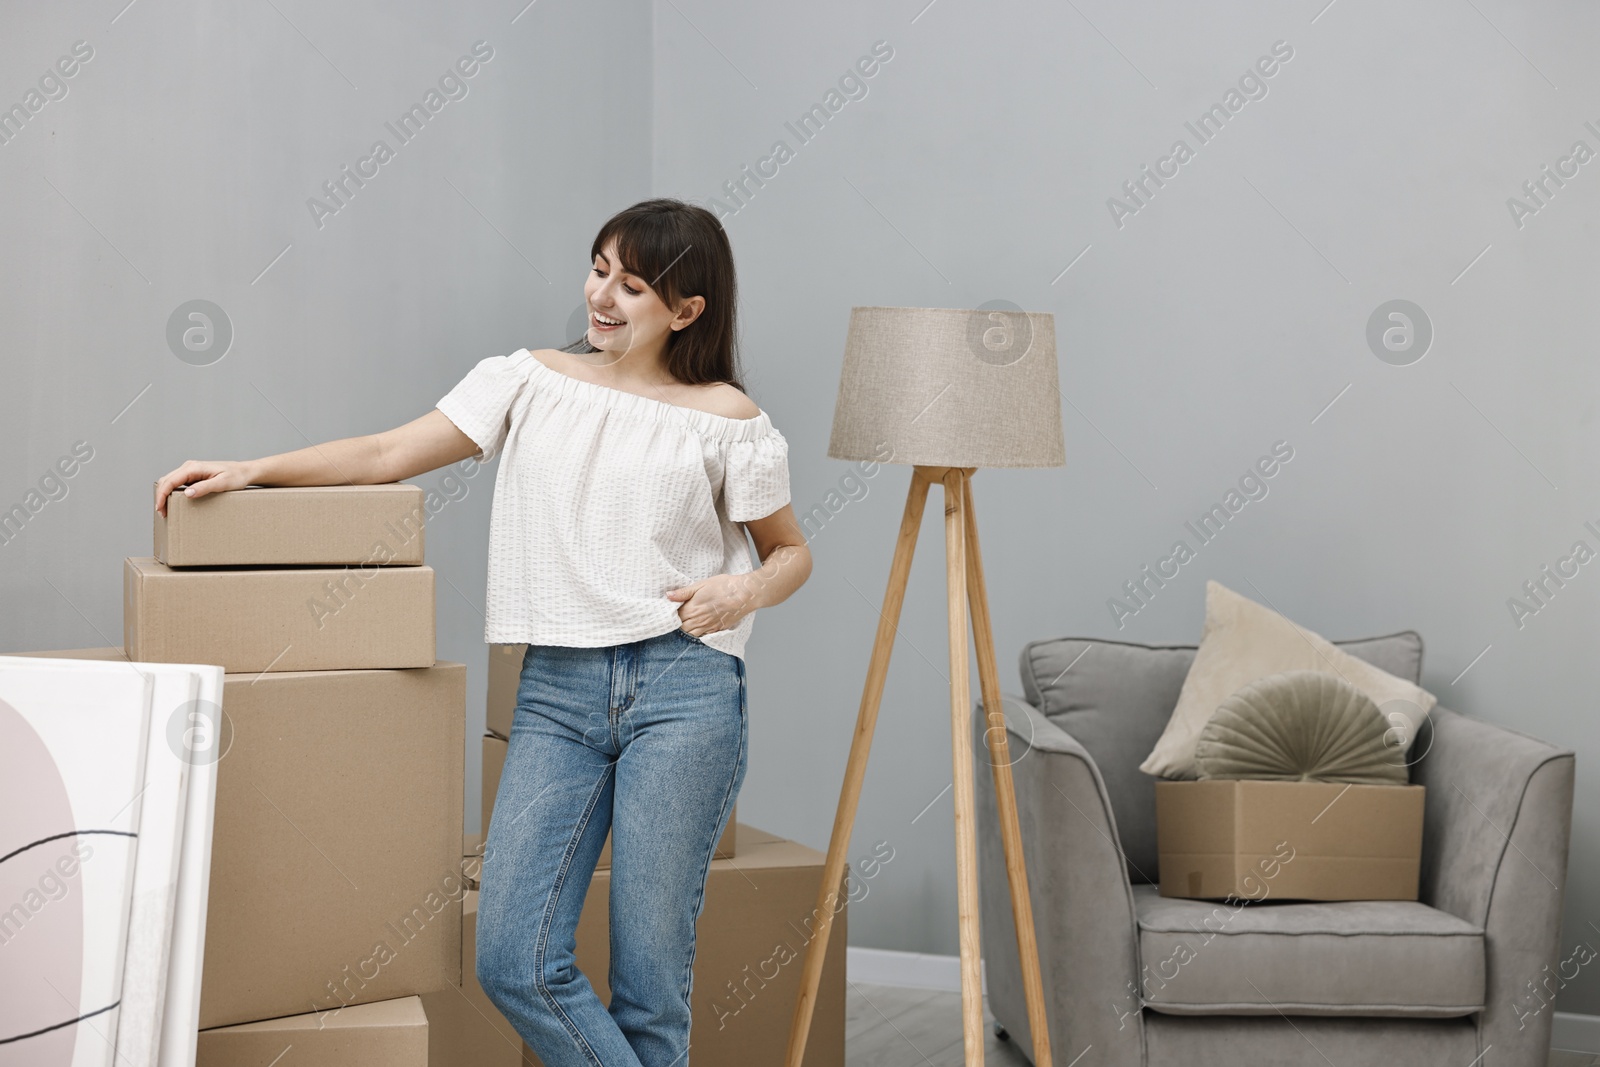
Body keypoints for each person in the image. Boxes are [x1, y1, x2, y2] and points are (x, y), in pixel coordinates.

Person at [153, 197, 811, 1066]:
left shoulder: (727, 418)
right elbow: (389, 453)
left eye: (635, 285)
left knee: (654, 988)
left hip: (685, 689)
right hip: (558, 693)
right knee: (515, 959)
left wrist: (742, 593)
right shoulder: (527, 379)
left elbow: (791, 553)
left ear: (686, 310)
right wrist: (254, 469)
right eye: (599, 267)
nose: (603, 295)